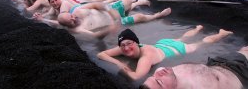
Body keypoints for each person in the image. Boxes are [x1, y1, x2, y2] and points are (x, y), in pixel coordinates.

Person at [97, 27, 233, 81]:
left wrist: (122, 67)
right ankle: (197, 28)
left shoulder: (146, 57)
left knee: (201, 43)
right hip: (162, 43)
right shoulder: (124, 47)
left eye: (129, 44)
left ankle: (221, 33)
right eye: (123, 45)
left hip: (176, 49)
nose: (126, 48)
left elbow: (136, 76)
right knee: (182, 37)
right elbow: (101, 54)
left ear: (136, 43)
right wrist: (117, 61)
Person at [141, 46, 248, 89]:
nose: (158, 73)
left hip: (217, 62)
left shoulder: (165, 75)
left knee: (244, 49)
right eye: (159, 82)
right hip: (238, 72)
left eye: (153, 77)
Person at [57, 0, 170, 28]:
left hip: (111, 10)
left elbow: (96, 4)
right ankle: (158, 15)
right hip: (117, 21)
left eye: (71, 16)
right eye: (70, 21)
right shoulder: (77, 29)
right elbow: (57, 23)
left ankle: (137, 3)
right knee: (139, 17)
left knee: (127, 0)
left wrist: (110, 10)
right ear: (67, 25)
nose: (73, 19)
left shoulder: (78, 11)